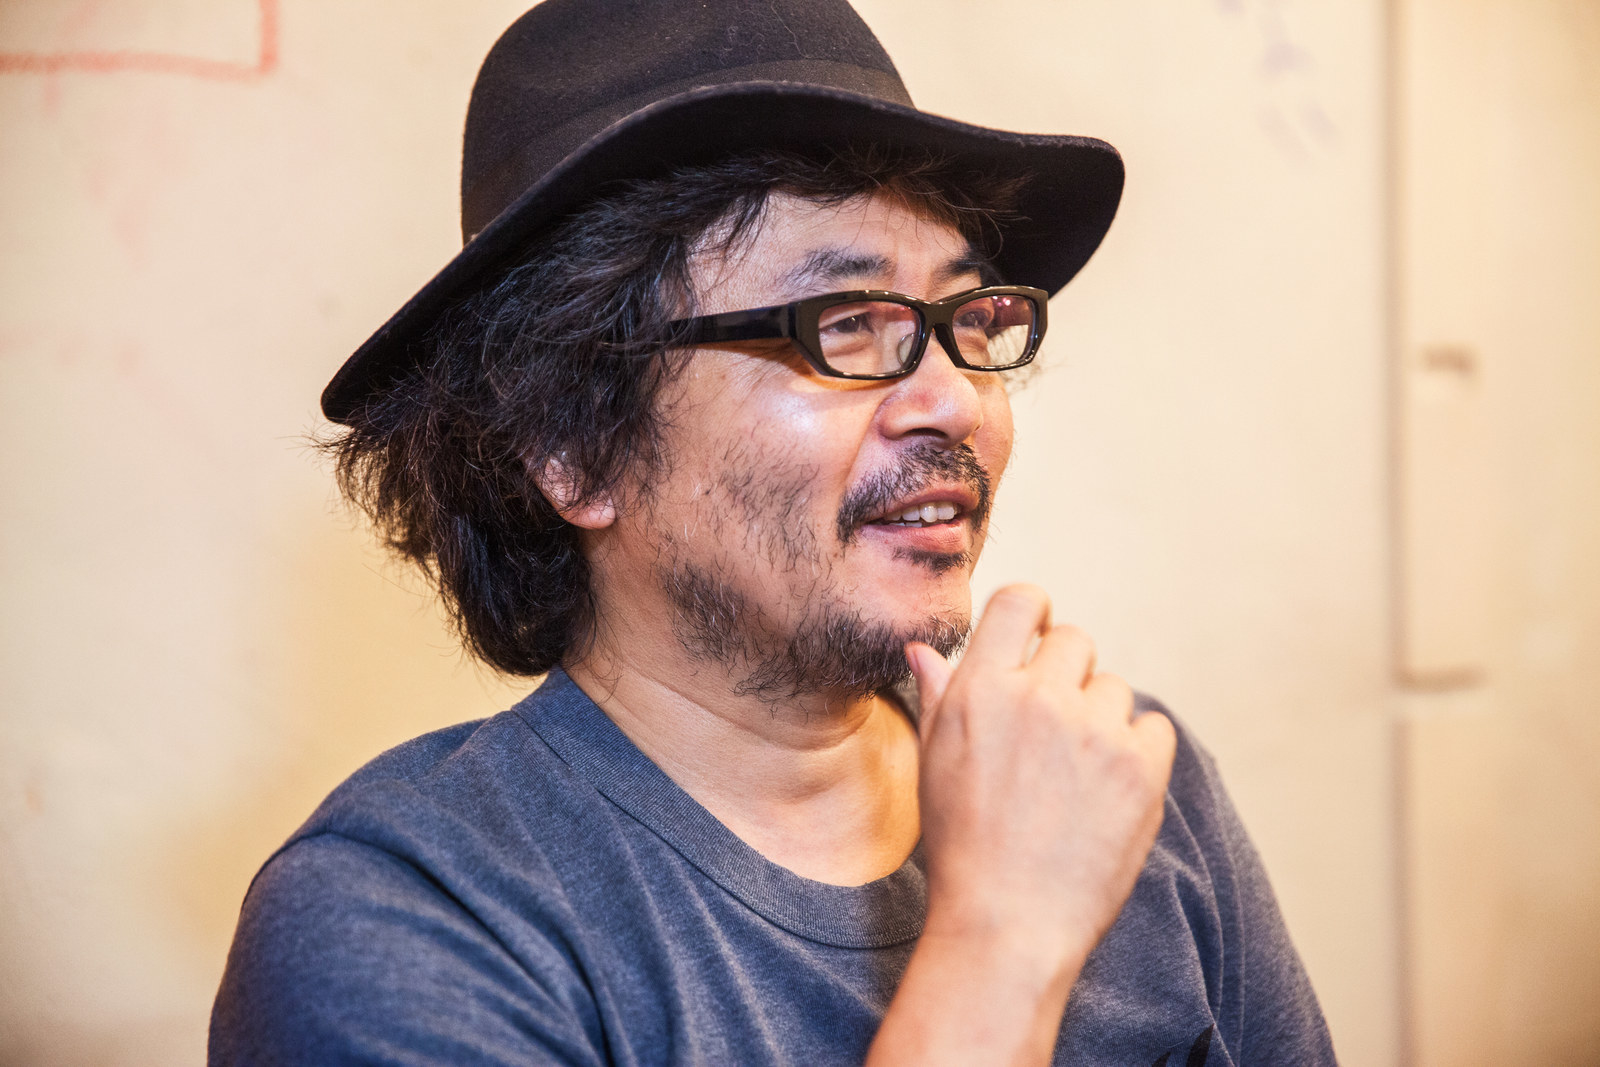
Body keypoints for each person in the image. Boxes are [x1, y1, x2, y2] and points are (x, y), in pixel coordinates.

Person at [211, 1, 1338, 1063]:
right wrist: (1001, 941)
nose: (954, 400)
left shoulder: (1109, 775)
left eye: (965, 317)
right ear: (571, 446)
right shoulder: (408, 914)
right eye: (845, 324)